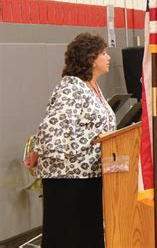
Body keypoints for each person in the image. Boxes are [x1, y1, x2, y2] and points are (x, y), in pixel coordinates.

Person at [24, 32, 115, 247]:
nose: (108, 57)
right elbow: (52, 127)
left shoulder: (92, 87)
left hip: (88, 174)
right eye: (104, 53)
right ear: (91, 59)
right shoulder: (71, 87)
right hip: (68, 178)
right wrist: (38, 151)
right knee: (68, 236)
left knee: (85, 235)